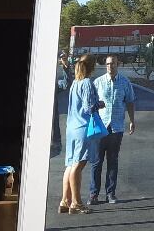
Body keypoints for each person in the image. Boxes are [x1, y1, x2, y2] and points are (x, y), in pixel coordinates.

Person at [90, 55, 137, 205]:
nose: (110, 66)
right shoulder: (97, 82)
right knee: (97, 162)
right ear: (105, 65)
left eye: (113, 64)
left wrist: (132, 121)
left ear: (118, 65)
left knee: (112, 161)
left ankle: (110, 193)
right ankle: (93, 194)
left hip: (116, 128)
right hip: (100, 128)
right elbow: (90, 103)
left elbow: (130, 102)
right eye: (108, 64)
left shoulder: (125, 82)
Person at [61, 54, 104, 215]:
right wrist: (100, 104)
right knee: (78, 166)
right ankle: (76, 203)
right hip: (83, 129)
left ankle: (65, 201)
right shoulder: (87, 83)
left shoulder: (75, 83)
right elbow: (88, 107)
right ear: (92, 66)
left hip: (71, 128)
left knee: (70, 165)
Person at [53, 51, 71, 149]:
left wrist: (66, 67)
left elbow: (67, 84)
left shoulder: (54, 84)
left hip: (53, 141)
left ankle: (56, 141)